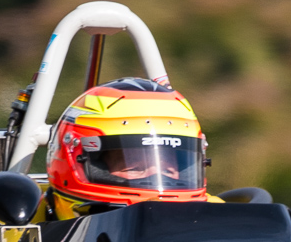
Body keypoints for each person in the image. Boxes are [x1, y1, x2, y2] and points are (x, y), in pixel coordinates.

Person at [44, 77, 210, 218]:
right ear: (75, 158)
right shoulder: (25, 230)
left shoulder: (215, 217)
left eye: (167, 171)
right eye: (136, 168)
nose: (156, 177)